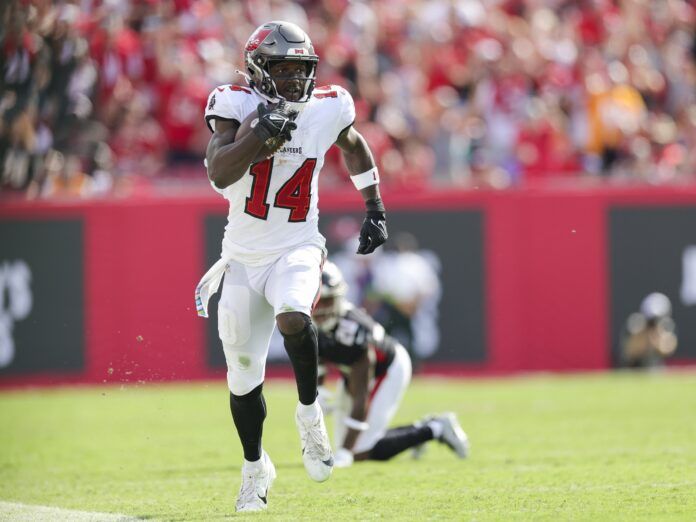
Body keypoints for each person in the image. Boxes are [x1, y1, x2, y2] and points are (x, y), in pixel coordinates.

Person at [194, 21, 388, 512]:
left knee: (295, 316)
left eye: (299, 69)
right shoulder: (235, 105)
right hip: (242, 256)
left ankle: (308, 414)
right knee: (242, 377)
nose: (292, 80)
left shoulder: (327, 106)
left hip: (298, 244)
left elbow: (353, 144)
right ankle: (255, 467)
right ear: (259, 71)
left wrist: (375, 207)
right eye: (280, 69)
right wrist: (258, 134)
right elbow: (220, 173)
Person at [314, 261, 469, 467]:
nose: (322, 309)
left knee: (359, 451)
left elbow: (361, 396)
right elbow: (319, 355)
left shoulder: (354, 330)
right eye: (316, 301)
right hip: (352, 371)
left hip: (387, 368)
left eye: (327, 301)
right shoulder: (305, 323)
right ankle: (420, 430)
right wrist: (319, 389)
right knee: (358, 443)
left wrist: (345, 452)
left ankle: (435, 428)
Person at [620, 292, 678, 369]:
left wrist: (656, 339)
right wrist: (643, 337)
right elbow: (630, 352)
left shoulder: (665, 328)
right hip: (634, 369)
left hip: (656, 370)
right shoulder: (635, 326)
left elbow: (668, 349)